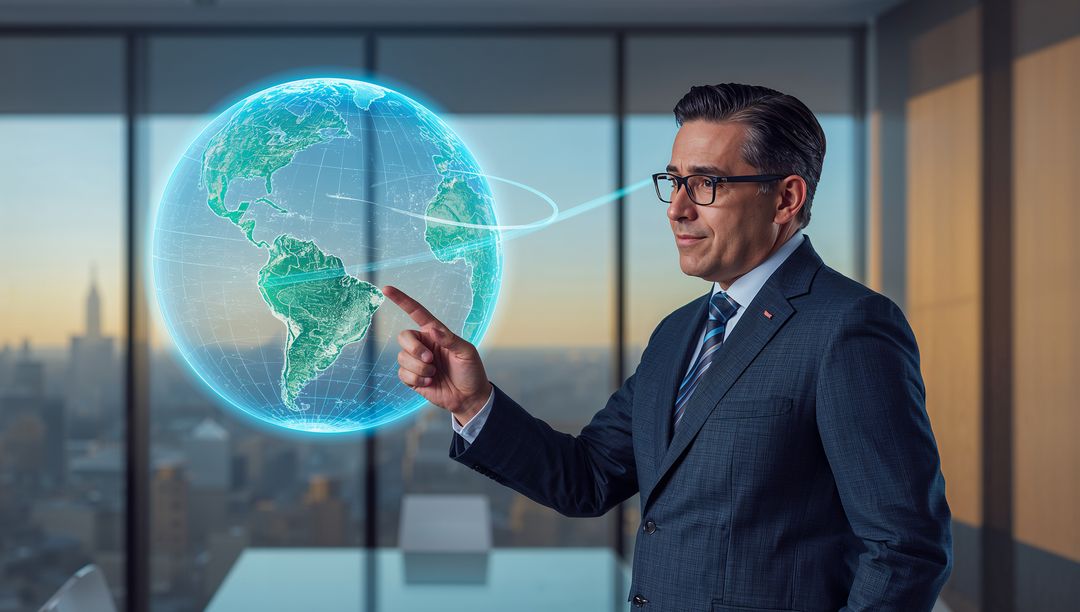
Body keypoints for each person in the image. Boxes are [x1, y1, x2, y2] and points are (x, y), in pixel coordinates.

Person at [383, 83, 952, 611]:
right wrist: (471, 402)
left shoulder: (848, 327)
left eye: (706, 183)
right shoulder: (678, 332)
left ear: (786, 198)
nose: (677, 208)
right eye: (674, 181)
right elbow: (589, 478)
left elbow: (905, 549)